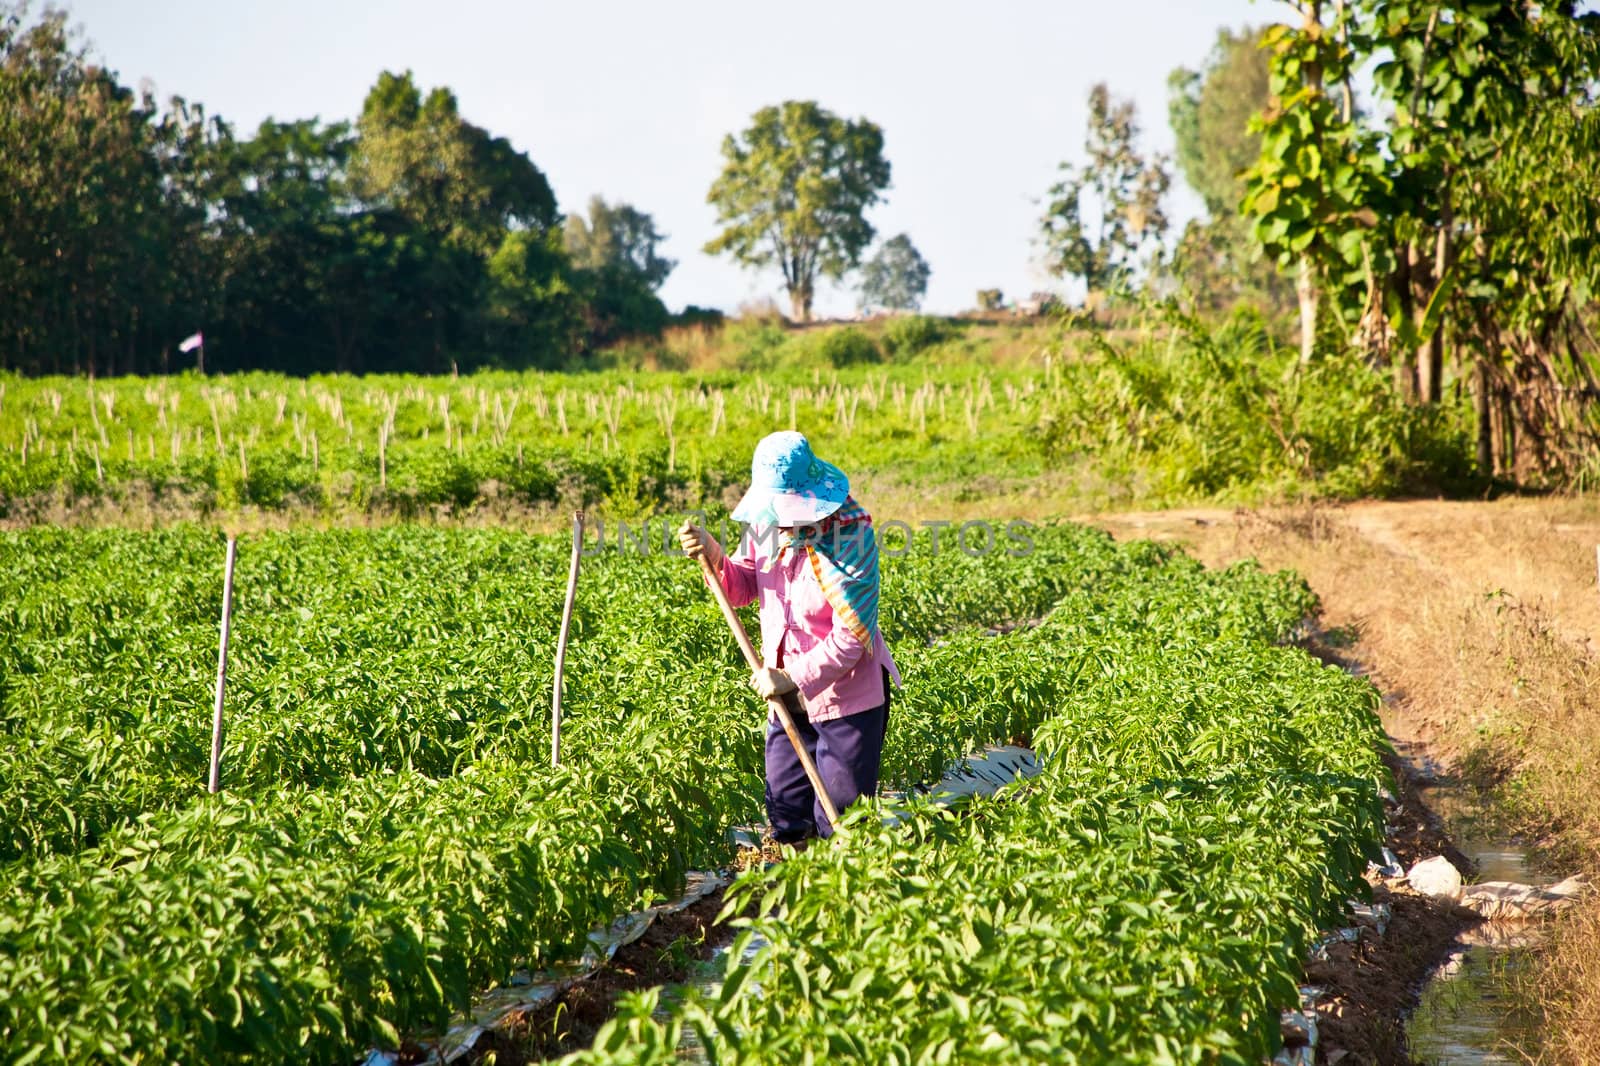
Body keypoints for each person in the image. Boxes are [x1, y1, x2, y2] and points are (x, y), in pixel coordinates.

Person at [679, 431, 899, 843]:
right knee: (786, 810)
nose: (781, 521)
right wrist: (713, 554)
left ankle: (841, 897)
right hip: (784, 697)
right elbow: (743, 586)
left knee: (841, 821)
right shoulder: (767, 527)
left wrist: (791, 676)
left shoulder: (851, 538)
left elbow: (853, 635)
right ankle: (799, 894)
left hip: (846, 699)